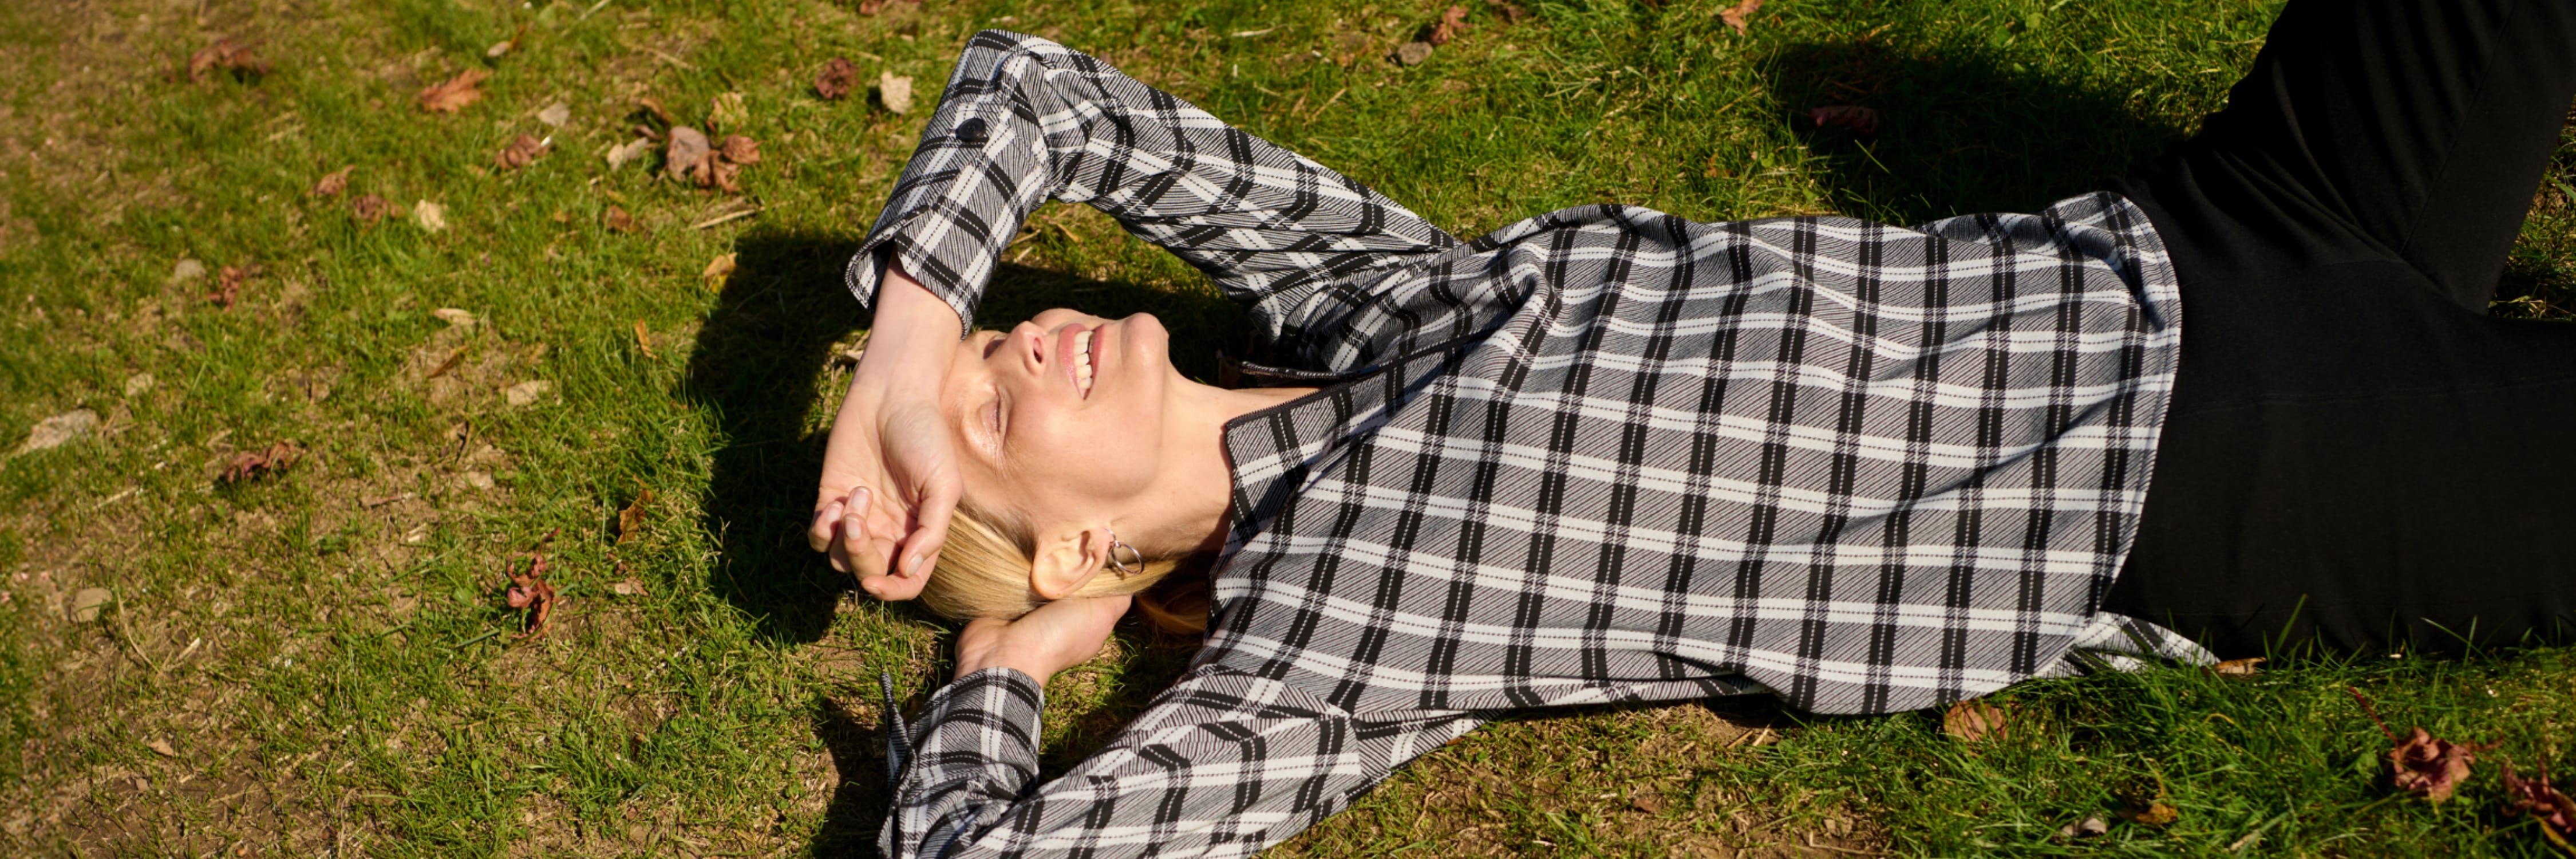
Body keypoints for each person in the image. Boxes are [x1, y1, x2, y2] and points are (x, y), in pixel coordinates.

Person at [808, 0, 2576, 854]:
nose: (1004, 347)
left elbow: (1030, 85)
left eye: (977, 341)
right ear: (1071, 545)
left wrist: (900, 352)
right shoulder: (1315, 654)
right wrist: (998, 683)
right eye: (985, 407)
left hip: (2207, 228)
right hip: (2227, 472)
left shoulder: (1372, 294)